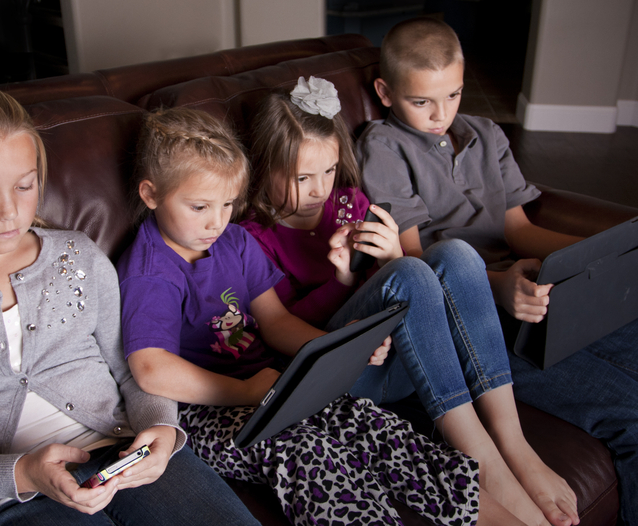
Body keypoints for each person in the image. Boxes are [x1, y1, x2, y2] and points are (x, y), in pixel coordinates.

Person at [116, 106, 534, 526]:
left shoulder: (235, 241)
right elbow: (151, 370)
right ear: (151, 194)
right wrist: (245, 391)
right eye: (199, 207)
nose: (217, 222)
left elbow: (276, 321)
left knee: (378, 431)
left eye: (227, 204)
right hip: (207, 409)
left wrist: (338, 347)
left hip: (275, 383)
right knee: (311, 454)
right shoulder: (150, 270)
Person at [0, 85, 260, 526]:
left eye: (25, 185)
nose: (10, 211)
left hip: (121, 451)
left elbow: (131, 371)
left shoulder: (78, 255)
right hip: (15, 497)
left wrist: (163, 431)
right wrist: (23, 471)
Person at [240, 79, 578, 526]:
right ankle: (480, 459)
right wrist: (345, 278)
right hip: (341, 378)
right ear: (265, 169)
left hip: (407, 359)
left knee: (455, 254)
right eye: (304, 177)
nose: (321, 190)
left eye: (329, 171)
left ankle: (511, 442)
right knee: (410, 272)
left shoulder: (349, 203)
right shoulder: (251, 238)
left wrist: (390, 259)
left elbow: (404, 291)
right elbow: (281, 328)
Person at [355, 16, 638, 526]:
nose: (441, 114)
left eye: (454, 95)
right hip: (473, 316)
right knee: (628, 415)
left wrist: (603, 253)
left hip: (531, 290)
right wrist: (500, 288)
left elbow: (520, 230)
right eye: (422, 102)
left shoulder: (486, 134)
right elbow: (415, 263)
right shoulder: (384, 148)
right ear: (386, 92)